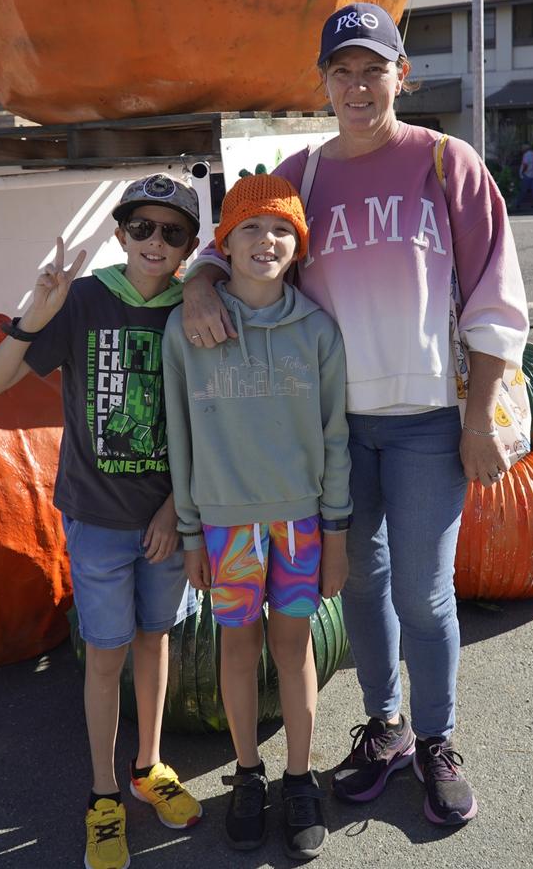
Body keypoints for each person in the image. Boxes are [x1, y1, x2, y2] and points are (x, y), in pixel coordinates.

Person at [180, 3, 529, 829]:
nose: (358, 85)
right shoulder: (300, 174)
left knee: (424, 592)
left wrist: (478, 419)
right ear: (324, 82)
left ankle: (439, 737)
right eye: (342, 71)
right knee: (361, 587)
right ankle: (387, 725)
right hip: (330, 431)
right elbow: (221, 242)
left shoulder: (447, 163)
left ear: (401, 75)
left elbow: (494, 302)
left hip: (424, 424)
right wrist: (198, 283)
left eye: (375, 69)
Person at [0, 174, 204, 869]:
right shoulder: (82, 300)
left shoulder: (192, 313)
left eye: (172, 232)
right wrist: (35, 313)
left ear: (190, 246)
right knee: (105, 653)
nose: (155, 242)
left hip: (167, 519)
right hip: (98, 520)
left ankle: (149, 767)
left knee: (155, 641)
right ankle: (104, 795)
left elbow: (208, 421)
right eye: (142, 228)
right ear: (120, 235)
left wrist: (175, 508)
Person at [163, 174, 351, 860]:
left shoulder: (318, 333)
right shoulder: (187, 330)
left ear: (297, 246)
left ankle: (300, 778)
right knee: (236, 649)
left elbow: (334, 440)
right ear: (225, 242)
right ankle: (249, 774)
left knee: (294, 648)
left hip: (299, 525)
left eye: (281, 230)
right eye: (250, 227)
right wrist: (190, 533)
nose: (266, 241)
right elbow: (180, 436)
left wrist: (335, 534)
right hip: (225, 527)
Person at [515, 143, 533, 209]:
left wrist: (522, 172)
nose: (522, 149)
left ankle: (517, 203)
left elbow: (525, 165)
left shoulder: (526, 155)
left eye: (523, 147)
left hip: (527, 174)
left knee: (522, 190)